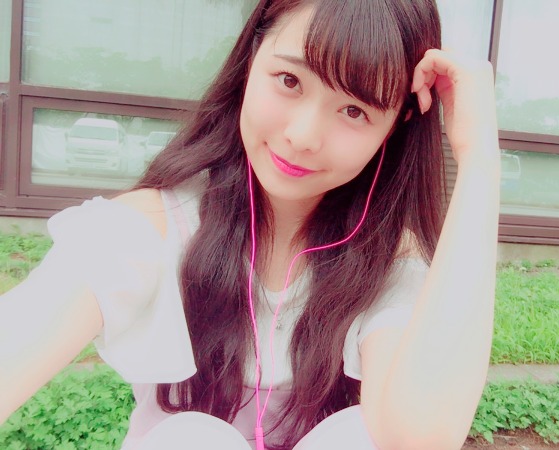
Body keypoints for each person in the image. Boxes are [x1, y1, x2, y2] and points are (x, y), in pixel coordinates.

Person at [0, 0, 501, 449]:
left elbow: (420, 435)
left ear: (395, 125)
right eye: (290, 81)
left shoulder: (388, 262)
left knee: (362, 436)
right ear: (251, 58)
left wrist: (478, 158)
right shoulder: (152, 228)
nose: (303, 136)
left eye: (354, 110)